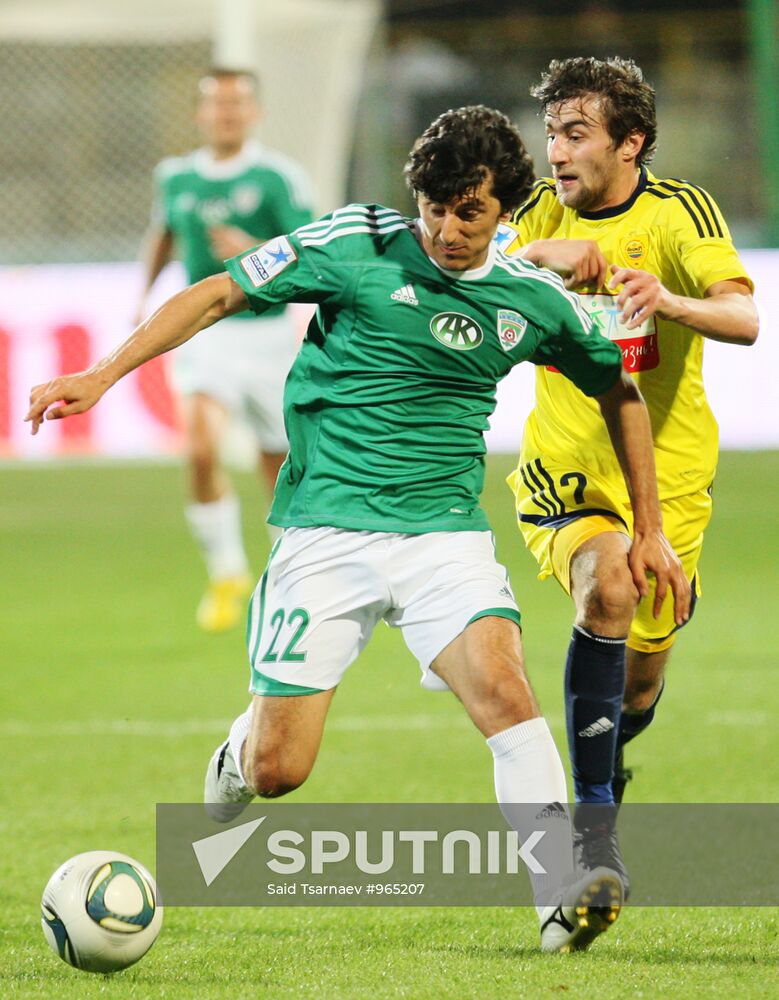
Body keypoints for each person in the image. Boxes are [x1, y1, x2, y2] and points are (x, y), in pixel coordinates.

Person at [27, 105, 690, 952]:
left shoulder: (532, 301)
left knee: (504, 690)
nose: (447, 230)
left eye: (469, 213)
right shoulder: (355, 244)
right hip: (324, 532)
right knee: (280, 771)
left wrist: (649, 526)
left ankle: (561, 893)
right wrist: (102, 373)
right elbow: (220, 291)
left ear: (506, 211)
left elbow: (619, 391)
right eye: (436, 208)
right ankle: (238, 755)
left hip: (441, 538)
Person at [503, 57, 758, 877]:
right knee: (607, 582)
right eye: (551, 134)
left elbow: (744, 316)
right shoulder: (536, 208)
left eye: (576, 135)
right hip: (566, 468)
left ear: (630, 143)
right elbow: (474, 264)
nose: (556, 152)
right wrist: (544, 250)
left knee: (637, 690)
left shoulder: (678, 214)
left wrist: (669, 300)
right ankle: (593, 831)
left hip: (671, 477)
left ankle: (602, 763)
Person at [136, 67, 314, 632]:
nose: (227, 113)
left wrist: (253, 249)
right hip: (204, 333)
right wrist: (140, 297)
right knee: (200, 446)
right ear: (201, 113)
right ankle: (226, 571)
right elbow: (164, 234)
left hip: (266, 339)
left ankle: (289, 575)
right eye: (217, 104)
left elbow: (310, 253)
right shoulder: (176, 177)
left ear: (254, 112)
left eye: (237, 104)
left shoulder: (278, 177)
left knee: (275, 466)